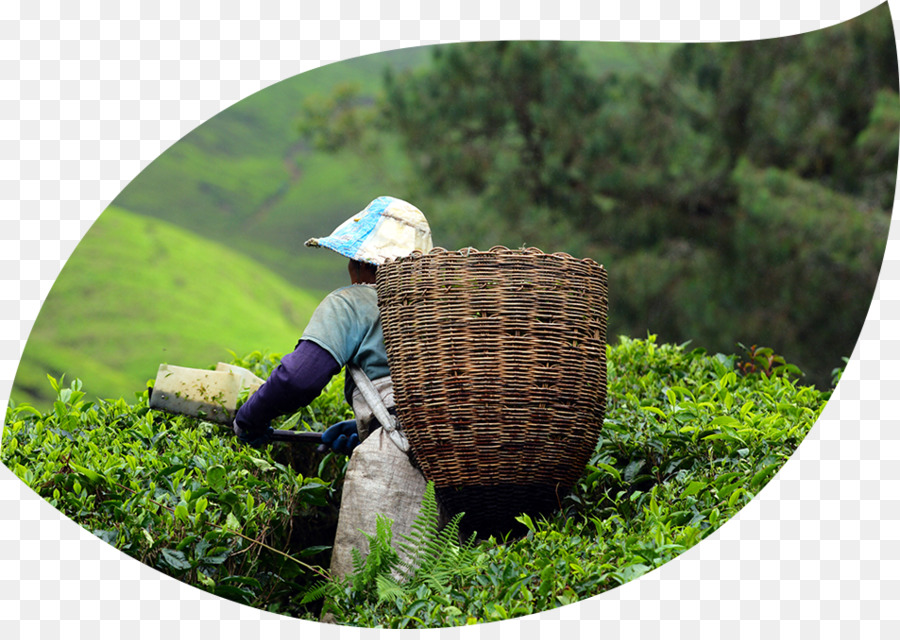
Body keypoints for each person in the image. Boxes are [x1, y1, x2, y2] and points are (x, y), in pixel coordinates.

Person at [232, 195, 432, 452]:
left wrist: (249, 417)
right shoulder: (439, 313)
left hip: (400, 457)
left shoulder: (353, 302)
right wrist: (369, 424)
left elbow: (298, 378)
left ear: (360, 262)